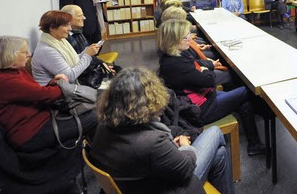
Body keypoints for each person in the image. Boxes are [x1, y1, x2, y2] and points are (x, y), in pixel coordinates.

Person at [90, 67, 234, 194]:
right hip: (165, 187)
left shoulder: (103, 126)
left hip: (132, 184)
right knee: (214, 132)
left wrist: (168, 148)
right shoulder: (152, 141)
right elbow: (186, 168)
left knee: (219, 154)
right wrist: (185, 146)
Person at [0, 36, 97, 193]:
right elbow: (45, 95)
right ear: (9, 55)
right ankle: (98, 160)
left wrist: (51, 84)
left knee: (92, 116)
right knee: (95, 116)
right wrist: (62, 85)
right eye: (24, 52)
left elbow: (34, 93)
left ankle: (95, 158)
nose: (28, 55)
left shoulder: (13, 73)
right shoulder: (4, 81)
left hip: (39, 122)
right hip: (30, 134)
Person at [157, 19, 267, 155]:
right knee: (245, 91)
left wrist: (205, 67)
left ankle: (254, 144)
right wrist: (205, 70)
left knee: (244, 102)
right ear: (174, 40)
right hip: (199, 110)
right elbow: (209, 80)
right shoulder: (176, 65)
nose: (190, 38)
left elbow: (197, 63)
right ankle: (266, 114)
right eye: (186, 37)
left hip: (202, 97)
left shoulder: (175, 56)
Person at [31, 10, 100, 85]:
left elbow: (73, 59)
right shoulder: (46, 50)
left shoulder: (59, 41)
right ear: (52, 28)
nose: (70, 28)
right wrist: (87, 55)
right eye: (66, 25)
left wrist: (87, 51)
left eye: (69, 25)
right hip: (55, 92)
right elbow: (69, 77)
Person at [61, 4, 116, 74]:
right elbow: (78, 63)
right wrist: (100, 69)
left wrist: (102, 64)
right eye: (79, 16)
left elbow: (89, 56)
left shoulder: (78, 32)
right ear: (68, 19)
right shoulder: (66, 39)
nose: (84, 18)